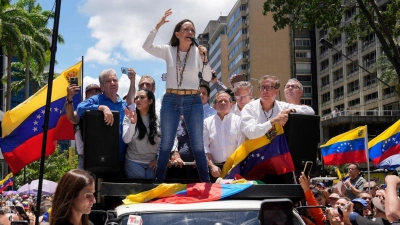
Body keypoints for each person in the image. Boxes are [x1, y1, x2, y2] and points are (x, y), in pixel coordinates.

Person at [142, 9, 212, 183]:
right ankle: (159, 183)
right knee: (166, 144)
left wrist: (205, 59)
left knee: (197, 144)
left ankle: (207, 183)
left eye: (193, 30)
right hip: (171, 99)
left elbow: (208, 78)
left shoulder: (197, 52)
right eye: (187, 29)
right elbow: (147, 46)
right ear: (178, 34)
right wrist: (158, 26)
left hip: (193, 99)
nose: (190, 33)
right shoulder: (169, 50)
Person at [76, 69, 129, 167]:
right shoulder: (97, 99)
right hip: (100, 160)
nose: (113, 83)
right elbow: (79, 109)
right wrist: (101, 107)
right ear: (102, 86)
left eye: (115, 80)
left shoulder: (124, 104)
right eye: (108, 81)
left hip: (121, 159)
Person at [241, 75, 315, 141]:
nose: (264, 91)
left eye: (269, 88)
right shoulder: (249, 108)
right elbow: (250, 133)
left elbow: (310, 111)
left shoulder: (282, 106)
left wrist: (290, 111)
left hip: (277, 153)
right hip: (256, 153)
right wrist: (273, 122)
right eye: (262, 87)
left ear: (276, 92)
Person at [203, 91, 244, 178]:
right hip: (214, 169)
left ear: (231, 105)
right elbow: (205, 146)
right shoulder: (207, 122)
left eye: (226, 101)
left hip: (235, 167)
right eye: (220, 101)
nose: (223, 103)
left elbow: (241, 146)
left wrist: (235, 167)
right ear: (214, 106)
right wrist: (212, 166)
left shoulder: (239, 121)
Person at [122, 89, 161, 179]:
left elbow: (164, 140)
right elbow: (126, 139)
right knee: (139, 190)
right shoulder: (129, 115)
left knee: (150, 189)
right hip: (133, 161)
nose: (138, 100)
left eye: (142, 97)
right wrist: (133, 123)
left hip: (153, 162)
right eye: (136, 98)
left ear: (150, 101)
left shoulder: (158, 117)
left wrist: (158, 159)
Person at [66, 83, 102, 169]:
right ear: (86, 98)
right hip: (85, 158)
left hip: (102, 157)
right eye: (90, 92)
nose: (94, 93)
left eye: (97, 91)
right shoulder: (80, 113)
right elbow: (71, 117)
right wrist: (69, 98)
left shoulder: (105, 110)